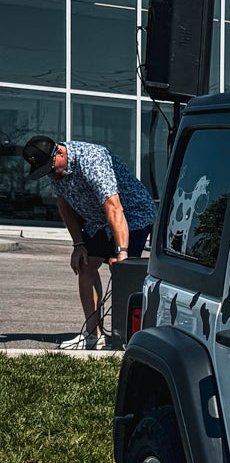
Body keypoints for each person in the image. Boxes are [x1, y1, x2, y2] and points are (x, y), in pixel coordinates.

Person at [22, 134, 157, 351]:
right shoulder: (56, 170)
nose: (50, 175)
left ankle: (129, 336)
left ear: (59, 152)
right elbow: (63, 204)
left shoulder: (92, 160)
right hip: (97, 221)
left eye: (50, 168)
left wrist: (122, 252)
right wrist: (78, 244)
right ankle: (92, 335)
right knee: (85, 265)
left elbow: (114, 206)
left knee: (121, 270)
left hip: (132, 215)